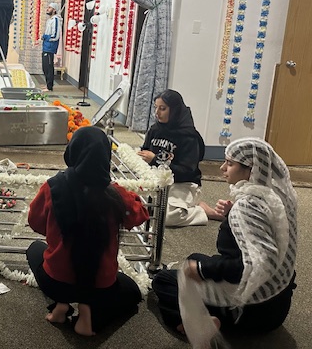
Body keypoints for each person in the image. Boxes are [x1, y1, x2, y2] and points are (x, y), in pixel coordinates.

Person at [152, 137, 297, 343]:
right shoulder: (277, 197)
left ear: (251, 169)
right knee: (195, 257)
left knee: (165, 280)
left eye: (230, 163)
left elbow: (259, 263)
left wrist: (202, 270)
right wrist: (230, 215)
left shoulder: (247, 207)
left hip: (251, 311)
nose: (222, 168)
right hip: (277, 305)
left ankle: (193, 322)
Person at [27, 127, 149, 336]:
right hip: (99, 286)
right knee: (131, 291)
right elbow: (140, 215)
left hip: (56, 281)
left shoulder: (52, 187)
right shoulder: (115, 194)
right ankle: (87, 315)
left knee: (34, 250)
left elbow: (35, 223)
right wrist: (127, 194)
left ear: (71, 152)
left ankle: (61, 305)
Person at [137, 89, 209, 227]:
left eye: (162, 109)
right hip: (157, 181)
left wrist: (155, 160)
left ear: (174, 110)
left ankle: (200, 210)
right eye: (156, 108)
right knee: (133, 203)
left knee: (166, 217)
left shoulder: (189, 136)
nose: (157, 113)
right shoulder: (155, 129)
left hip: (182, 183)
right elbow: (145, 150)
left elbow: (186, 171)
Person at [41, 2, 62, 92]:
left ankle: (50, 87)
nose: (47, 9)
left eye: (49, 8)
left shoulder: (56, 20)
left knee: (49, 67)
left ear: (54, 10)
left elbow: (55, 36)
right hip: (46, 46)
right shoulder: (50, 20)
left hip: (50, 47)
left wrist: (45, 37)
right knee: (45, 67)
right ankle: (47, 84)